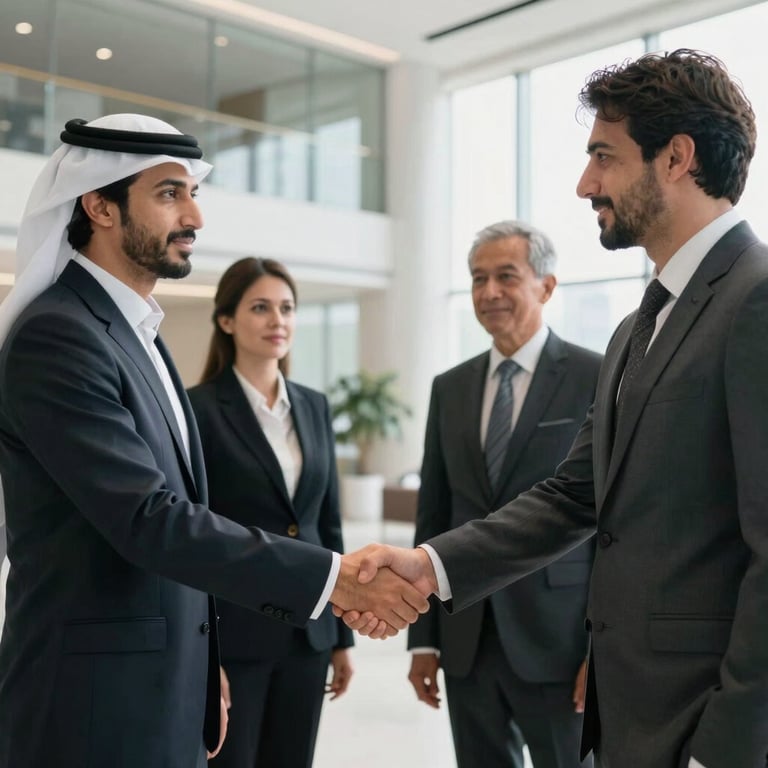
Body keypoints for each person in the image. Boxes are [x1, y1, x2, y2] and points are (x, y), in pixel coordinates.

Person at [344, 49, 768, 768]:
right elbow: (576, 494)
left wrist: (728, 748)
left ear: (677, 158)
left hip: (701, 729)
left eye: (604, 156)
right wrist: (427, 565)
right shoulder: (639, 326)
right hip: (631, 720)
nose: (584, 184)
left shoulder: (755, 301)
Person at [0, 114, 428, 768]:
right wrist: (337, 578)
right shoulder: (59, 335)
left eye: (194, 193)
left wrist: (203, 663)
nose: (194, 216)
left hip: (160, 687)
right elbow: (150, 521)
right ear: (99, 205)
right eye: (170, 193)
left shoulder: (134, 333)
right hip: (91, 706)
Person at [408, 220, 600, 768]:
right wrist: (425, 639)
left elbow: (617, 528)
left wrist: (601, 650)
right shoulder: (450, 387)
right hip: (467, 634)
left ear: (546, 285)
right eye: (477, 279)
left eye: (506, 277)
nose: (488, 292)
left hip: (559, 641)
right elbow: (435, 511)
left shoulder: (597, 375)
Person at [187, 257, 354, 768]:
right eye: (260, 307)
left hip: (310, 633)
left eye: (286, 308)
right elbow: (190, 535)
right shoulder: (198, 410)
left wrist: (341, 634)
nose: (277, 320)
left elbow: (327, 525)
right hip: (236, 634)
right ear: (227, 320)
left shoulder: (313, 406)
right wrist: (205, 654)